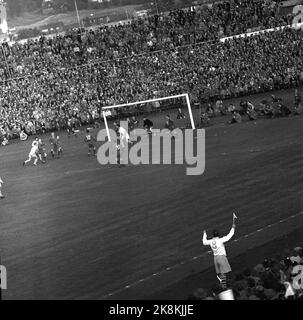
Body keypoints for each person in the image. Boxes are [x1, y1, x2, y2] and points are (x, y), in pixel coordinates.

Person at [202, 221, 236, 290]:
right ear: (218, 234)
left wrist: (204, 234)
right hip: (221, 257)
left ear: (213, 235)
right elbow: (229, 236)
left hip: (216, 258)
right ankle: (224, 286)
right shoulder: (220, 240)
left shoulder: (211, 241)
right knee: (223, 273)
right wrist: (233, 228)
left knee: (221, 272)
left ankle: (223, 284)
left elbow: (204, 242)